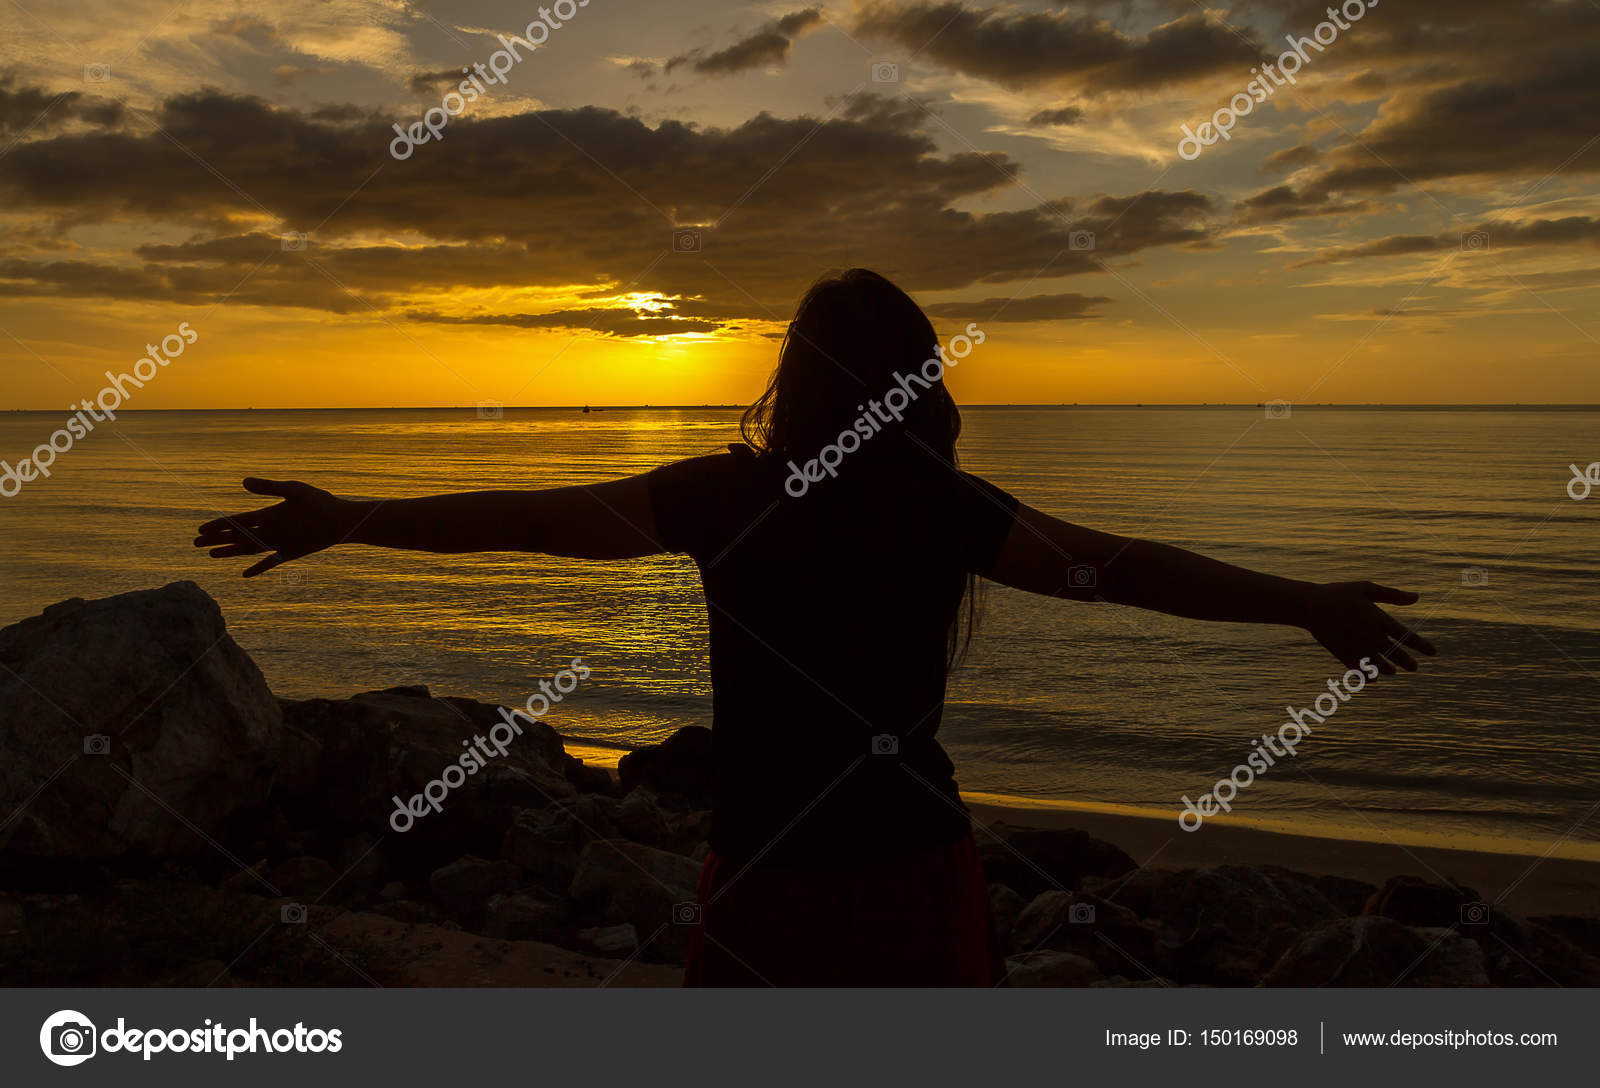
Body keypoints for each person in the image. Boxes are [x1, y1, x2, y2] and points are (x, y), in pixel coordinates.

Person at [194, 268, 1435, 986]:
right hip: (909, 865)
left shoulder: (729, 497)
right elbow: (1123, 569)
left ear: (796, 372)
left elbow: (529, 516)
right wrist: (1300, 602)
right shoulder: (941, 509)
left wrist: (351, 516)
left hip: (769, 873)